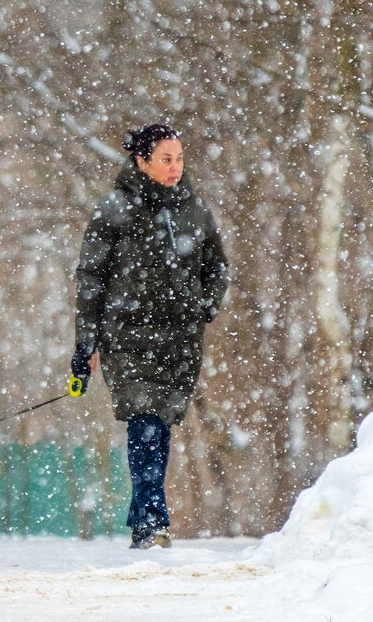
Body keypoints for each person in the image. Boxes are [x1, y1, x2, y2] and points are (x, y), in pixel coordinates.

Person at [69, 123, 228, 549]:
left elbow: (217, 266)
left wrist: (203, 308)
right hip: (127, 336)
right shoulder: (115, 209)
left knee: (161, 424)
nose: (175, 167)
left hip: (179, 340)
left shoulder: (195, 210)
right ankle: (153, 520)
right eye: (165, 159)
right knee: (143, 422)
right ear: (142, 161)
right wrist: (87, 344)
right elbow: (91, 278)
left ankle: (145, 515)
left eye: (179, 158)